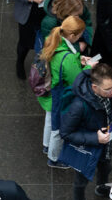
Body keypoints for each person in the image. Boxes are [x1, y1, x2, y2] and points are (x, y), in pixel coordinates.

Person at [60, 63, 112, 200]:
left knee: (105, 167)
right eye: (109, 89)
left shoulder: (110, 91)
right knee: (81, 180)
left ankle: (101, 187)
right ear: (95, 87)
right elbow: (65, 133)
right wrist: (95, 138)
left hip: (105, 144)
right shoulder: (79, 106)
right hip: (89, 148)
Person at [37, 16, 93, 167]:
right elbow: (77, 79)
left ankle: (46, 146)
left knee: (51, 121)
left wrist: (78, 59)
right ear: (73, 35)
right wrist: (88, 66)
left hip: (53, 92)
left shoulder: (53, 39)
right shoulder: (66, 58)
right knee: (60, 128)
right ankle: (54, 159)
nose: (82, 36)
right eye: (81, 34)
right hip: (63, 96)